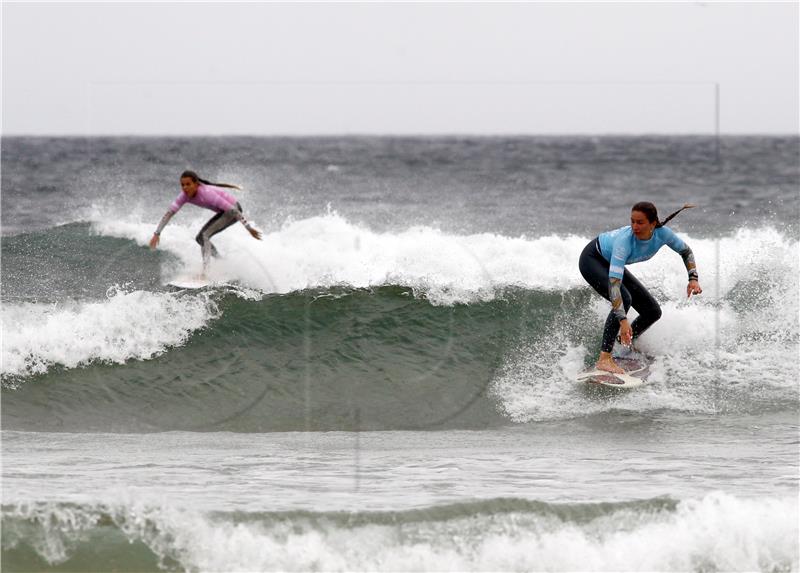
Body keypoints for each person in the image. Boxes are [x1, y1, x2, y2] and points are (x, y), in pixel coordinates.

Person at [578, 202, 702, 374]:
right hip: (592, 260)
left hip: (608, 262)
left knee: (652, 311)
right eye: (632, 221)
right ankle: (604, 358)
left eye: (640, 222)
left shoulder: (663, 234)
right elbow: (614, 285)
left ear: (652, 223)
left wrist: (693, 279)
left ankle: (624, 344)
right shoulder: (624, 242)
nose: (635, 226)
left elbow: (686, 251)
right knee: (625, 298)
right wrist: (623, 321)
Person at [149, 170, 262, 274]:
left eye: (188, 184)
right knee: (200, 238)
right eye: (182, 185)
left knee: (204, 236)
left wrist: (249, 228)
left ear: (196, 184)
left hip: (233, 211)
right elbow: (169, 214)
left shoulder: (207, 194)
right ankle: (221, 262)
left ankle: (206, 272)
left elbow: (233, 210)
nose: (185, 188)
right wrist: (156, 234)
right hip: (224, 212)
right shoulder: (184, 196)